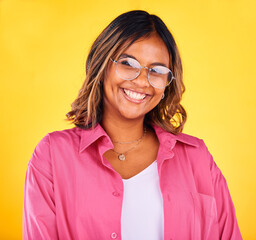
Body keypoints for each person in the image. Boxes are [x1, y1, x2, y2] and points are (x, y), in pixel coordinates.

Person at [23, 10, 242, 240]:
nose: (141, 81)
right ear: (102, 64)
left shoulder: (198, 159)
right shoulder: (52, 155)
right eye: (128, 63)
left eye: (156, 70)